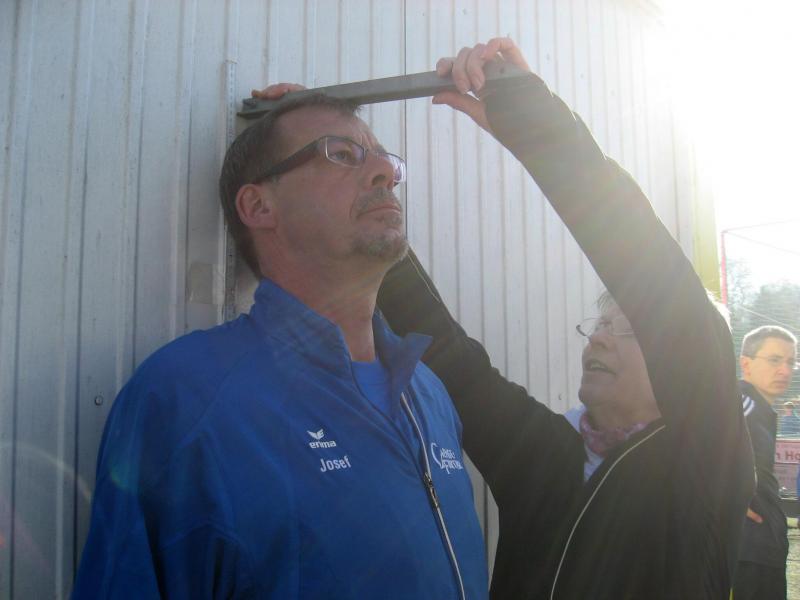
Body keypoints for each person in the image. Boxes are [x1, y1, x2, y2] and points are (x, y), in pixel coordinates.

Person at [376, 38, 754, 598]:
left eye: (628, 328)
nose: (599, 337)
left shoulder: (703, 459)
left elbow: (663, 288)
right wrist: (365, 226)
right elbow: (451, 363)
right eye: (599, 325)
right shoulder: (547, 455)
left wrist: (532, 119)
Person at [72, 93, 489, 597]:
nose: (386, 172)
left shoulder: (428, 393)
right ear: (258, 206)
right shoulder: (186, 397)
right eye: (341, 153)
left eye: (385, 159)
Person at [736, 325, 798, 599]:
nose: (784, 370)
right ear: (746, 364)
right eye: (774, 360)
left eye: (790, 362)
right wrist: (720, 493)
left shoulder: (760, 410)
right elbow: (682, 446)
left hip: (762, 549)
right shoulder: (740, 405)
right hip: (744, 553)